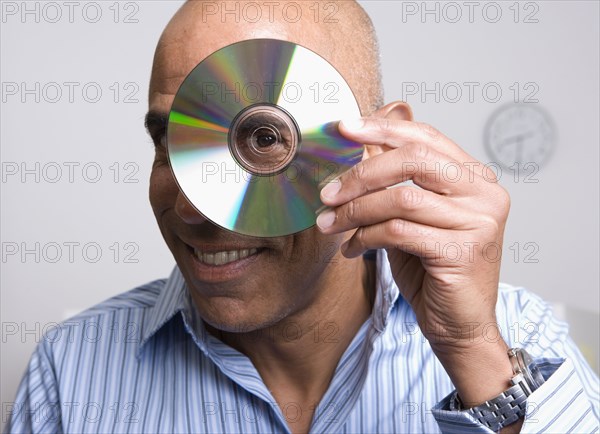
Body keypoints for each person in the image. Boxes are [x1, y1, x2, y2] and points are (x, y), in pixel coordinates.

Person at [5, 1, 599, 433]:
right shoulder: (72, 370)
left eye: (263, 139)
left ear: (379, 146)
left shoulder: (517, 336)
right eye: (170, 140)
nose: (189, 208)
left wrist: (472, 351)